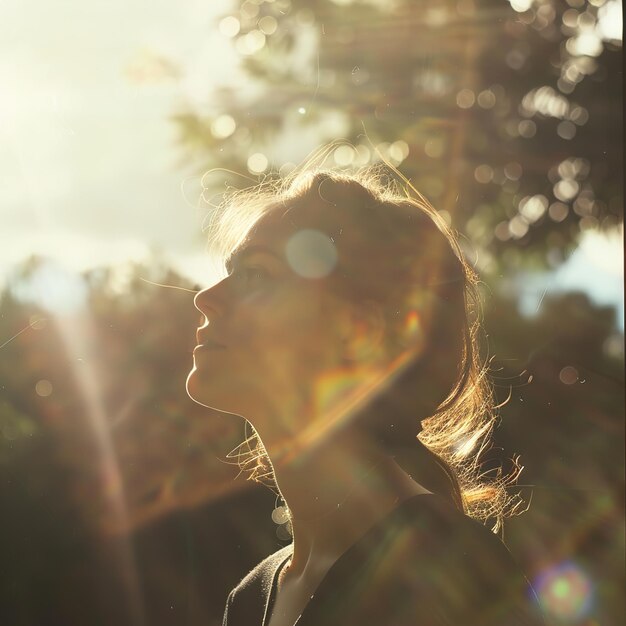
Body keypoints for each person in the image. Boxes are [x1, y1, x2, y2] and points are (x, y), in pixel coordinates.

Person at [186, 162, 545, 626]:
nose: (206, 296)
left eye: (257, 275)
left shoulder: (450, 575)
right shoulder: (252, 598)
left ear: (361, 333)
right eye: (230, 271)